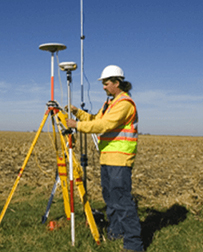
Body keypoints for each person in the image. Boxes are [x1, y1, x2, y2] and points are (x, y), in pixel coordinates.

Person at [66, 65, 144, 252]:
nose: (103, 87)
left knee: (122, 202)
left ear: (117, 83)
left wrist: (76, 125)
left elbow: (105, 125)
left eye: (106, 83)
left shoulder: (125, 103)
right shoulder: (110, 103)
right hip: (107, 159)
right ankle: (115, 233)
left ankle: (134, 245)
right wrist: (78, 113)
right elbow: (94, 120)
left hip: (120, 159)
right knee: (110, 199)